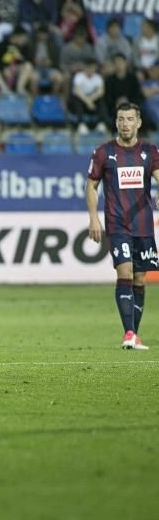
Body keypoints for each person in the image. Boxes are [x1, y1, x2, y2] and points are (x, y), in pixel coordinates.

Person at [86, 102, 159, 349]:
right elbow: (91, 185)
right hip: (117, 224)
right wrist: (94, 218)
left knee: (140, 280)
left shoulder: (150, 151)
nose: (124, 124)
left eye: (129, 119)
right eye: (120, 119)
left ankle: (133, 336)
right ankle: (128, 332)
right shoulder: (104, 152)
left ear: (138, 122)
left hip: (144, 226)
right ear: (115, 122)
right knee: (124, 273)